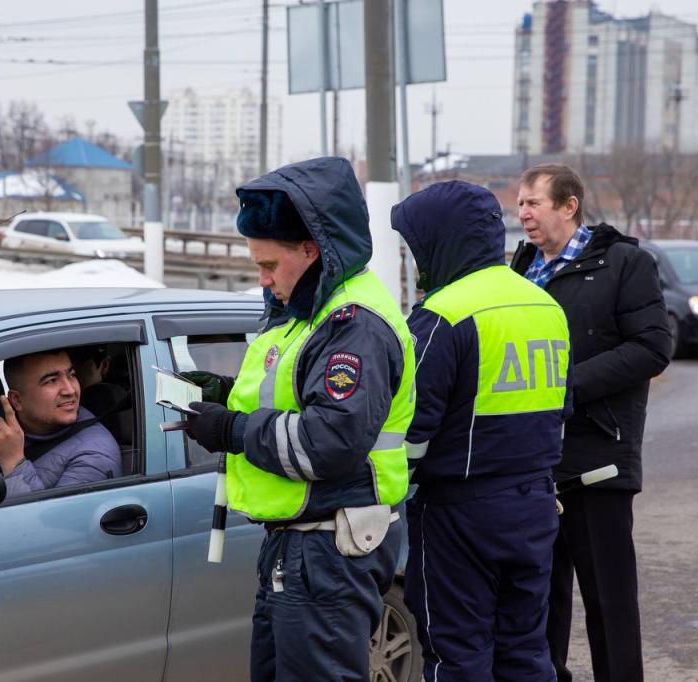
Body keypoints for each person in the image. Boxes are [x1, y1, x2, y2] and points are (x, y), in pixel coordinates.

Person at [181, 156, 416, 682]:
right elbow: (293, 399)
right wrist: (222, 399)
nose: (263, 280)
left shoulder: (353, 324)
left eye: (270, 266)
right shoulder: (309, 310)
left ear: (312, 252)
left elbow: (328, 441)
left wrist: (231, 431)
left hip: (328, 550)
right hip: (300, 547)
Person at [391, 180, 572, 680]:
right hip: (535, 505)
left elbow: (411, 430)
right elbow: (563, 405)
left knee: (458, 654)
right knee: (526, 650)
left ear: (441, 242)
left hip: (460, 513)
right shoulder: (545, 306)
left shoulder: (443, 314)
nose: (414, 259)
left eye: (416, 246)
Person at [511, 164, 671, 682]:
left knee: (609, 603)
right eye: (519, 204)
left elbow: (652, 347)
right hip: (532, 462)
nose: (523, 214)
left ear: (569, 205)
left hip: (598, 457)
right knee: (540, 602)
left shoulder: (625, 263)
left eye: (533, 203)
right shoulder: (520, 268)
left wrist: (564, 387)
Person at [0, 349, 122, 497]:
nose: (70, 390)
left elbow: (46, 532)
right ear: (16, 400)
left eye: (71, 375)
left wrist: (14, 463)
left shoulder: (96, 454)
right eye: (51, 381)